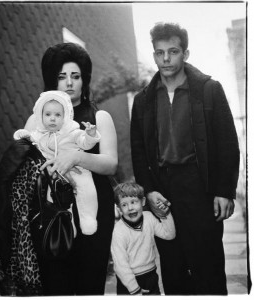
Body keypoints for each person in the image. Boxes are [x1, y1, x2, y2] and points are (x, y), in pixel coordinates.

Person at [130, 22, 240, 295]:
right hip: (164, 189)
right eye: (159, 53)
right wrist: (150, 191)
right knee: (174, 269)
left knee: (208, 267)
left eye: (173, 51)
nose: (165, 59)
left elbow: (227, 143)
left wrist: (224, 191)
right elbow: (138, 150)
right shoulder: (143, 100)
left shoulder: (208, 90)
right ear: (154, 55)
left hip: (199, 186)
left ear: (185, 53)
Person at [24, 42, 118, 295]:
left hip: (94, 214)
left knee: (90, 285)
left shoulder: (100, 118)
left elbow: (110, 164)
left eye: (75, 76)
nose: (69, 83)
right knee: (56, 286)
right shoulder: (37, 119)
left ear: (84, 80)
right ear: (52, 80)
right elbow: (27, 168)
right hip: (50, 214)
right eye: (62, 76)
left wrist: (76, 157)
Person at [14, 90, 101, 235]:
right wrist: (22, 135)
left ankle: (88, 218)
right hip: (53, 175)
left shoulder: (72, 132)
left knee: (86, 189)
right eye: (48, 115)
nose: (52, 119)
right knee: (54, 199)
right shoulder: (39, 135)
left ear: (65, 117)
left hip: (76, 169)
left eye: (57, 115)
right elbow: (26, 139)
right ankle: (66, 225)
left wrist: (90, 135)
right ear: (41, 117)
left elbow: (85, 143)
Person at [111, 182, 175, 295]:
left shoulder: (149, 218)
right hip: (128, 281)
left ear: (143, 201)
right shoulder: (118, 231)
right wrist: (134, 290)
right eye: (124, 205)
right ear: (119, 208)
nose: (130, 208)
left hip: (151, 275)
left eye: (133, 202)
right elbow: (120, 266)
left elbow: (169, 235)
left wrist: (166, 214)